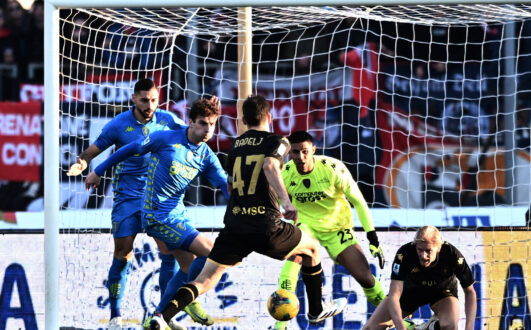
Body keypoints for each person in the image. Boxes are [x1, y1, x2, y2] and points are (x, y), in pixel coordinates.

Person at [149, 95, 347, 329]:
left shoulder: (236, 145)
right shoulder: (278, 141)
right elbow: (270, 165)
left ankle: (163, 316)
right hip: (267, 225)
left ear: (243, 120)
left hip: (236, 225)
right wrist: (287, 202)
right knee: (312, 249)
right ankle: (316, 310)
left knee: (204, 279)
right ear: (269, 117)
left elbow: (231, 185)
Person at [85, 97, 229, 330]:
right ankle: (180, 302)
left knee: (188, 265)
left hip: (177, 216)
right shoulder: (166, 138)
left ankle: (162, 316)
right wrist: (98, 171)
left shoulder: (206, 155)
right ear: (190, 122)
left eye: (212, 125)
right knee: (211, 253)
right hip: (155, 216)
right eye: (202, 123)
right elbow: (130, 149)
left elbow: (223, 183)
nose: (207, 130)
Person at [66, 78, 190, 330]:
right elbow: (91, 152)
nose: (150, 105)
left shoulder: (167, 120)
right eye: (144, 100)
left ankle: (163, 315)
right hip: (128, 196)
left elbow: (193, 135)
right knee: (123, 252)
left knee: (169, 251)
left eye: (154, 100)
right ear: (134, 98)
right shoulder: (119, 124)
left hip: (158, 197)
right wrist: (82, 163)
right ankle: (115, 317)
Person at [272, 130, 386, 330]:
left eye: (305, 151)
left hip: (337, 228)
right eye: (296, 152)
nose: (301, 157)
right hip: (306, 226)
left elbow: (358, 201)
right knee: (295, 258)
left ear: (313, 150)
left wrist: (372, 237)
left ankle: (399, 318)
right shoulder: (285, 173)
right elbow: (275, 202)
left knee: (365, 277)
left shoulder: (333, 168)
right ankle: (280, 326)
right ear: (289, 153)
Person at [363, 226, 476, 330]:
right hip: (409, 293)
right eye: (420, 250)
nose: (423, 255)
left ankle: (431, 327)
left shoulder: (452, 255)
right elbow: (394, 295)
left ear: (438, 248)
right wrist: (401, 328)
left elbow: (470, 292)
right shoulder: (404, 254)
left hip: (442, 293)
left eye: (428, 251)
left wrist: (469, 328)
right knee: (370, 328)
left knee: (449, 325)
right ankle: (414, 327)